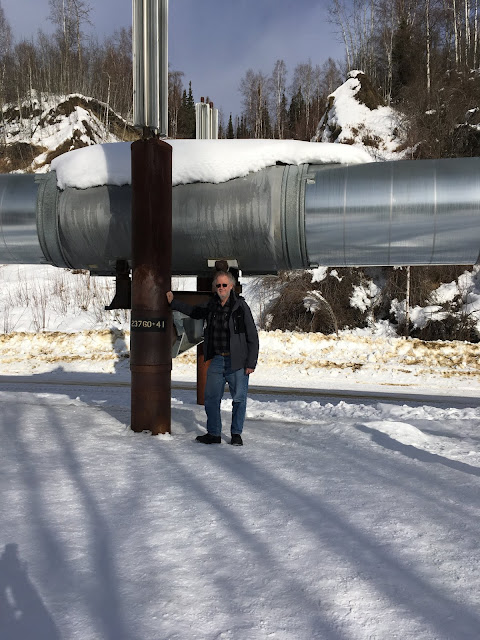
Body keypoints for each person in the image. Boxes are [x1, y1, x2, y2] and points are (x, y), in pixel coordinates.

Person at [166, 271, 259, 446]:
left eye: (224, 285)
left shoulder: (240, 307)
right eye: (218, 285)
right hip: (217, 360)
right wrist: (174, 303)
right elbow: (194, 312)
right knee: (211, 398)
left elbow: (252, 336)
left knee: (239, 399)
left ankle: (236, 434)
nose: (221, 288)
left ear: (231, 286)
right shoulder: (212, 305)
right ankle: (214, 433)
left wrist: (251, 363)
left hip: (237, 361)